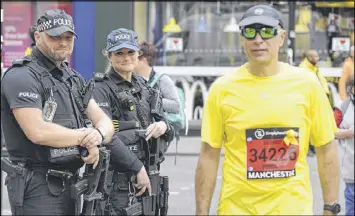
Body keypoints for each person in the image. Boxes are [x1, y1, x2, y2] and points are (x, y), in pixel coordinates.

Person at [195, 4, 341, 215]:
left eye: (267, 31)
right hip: (236, 209)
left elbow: (326, 148)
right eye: (250, 31)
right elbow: (208, 155)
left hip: (292, 208)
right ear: (241, 38)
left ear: (281, 37)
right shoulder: (222, 89)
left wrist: (331, 208)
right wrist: (201, 212)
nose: (258, 39)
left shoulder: (307, 84)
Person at [0, 9, 115, 215]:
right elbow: (37, 131)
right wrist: (84, 138)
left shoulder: (73, 77)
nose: (63, 42)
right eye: (55, 37)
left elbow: (103, 121)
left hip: (70, 182)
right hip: (36, 185)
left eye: (68, 37)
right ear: (37, 36)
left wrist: (97, 135)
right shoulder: (22, 76)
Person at [93, 28, 175, 215]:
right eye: (119, 53)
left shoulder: (145, 86)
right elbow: (105, 137)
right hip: (117, 186)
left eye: (130, 52)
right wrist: (137, 168)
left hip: (150, 176)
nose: (126, 57)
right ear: (108, 55)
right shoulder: (101, 89)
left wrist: (163, 126)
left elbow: (169, 128)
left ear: (138, 54)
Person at [135, 41, 183, 140]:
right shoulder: (134, 80)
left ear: (144, 60)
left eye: (135, 58)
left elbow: (176, 106)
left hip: (160, 133)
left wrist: (153, 101)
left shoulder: (162, 79)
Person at [334, 83, 354, 216]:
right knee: (352, 202)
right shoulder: (343, 107)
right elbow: (331, 131)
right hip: (351, 166)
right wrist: (349, 132)